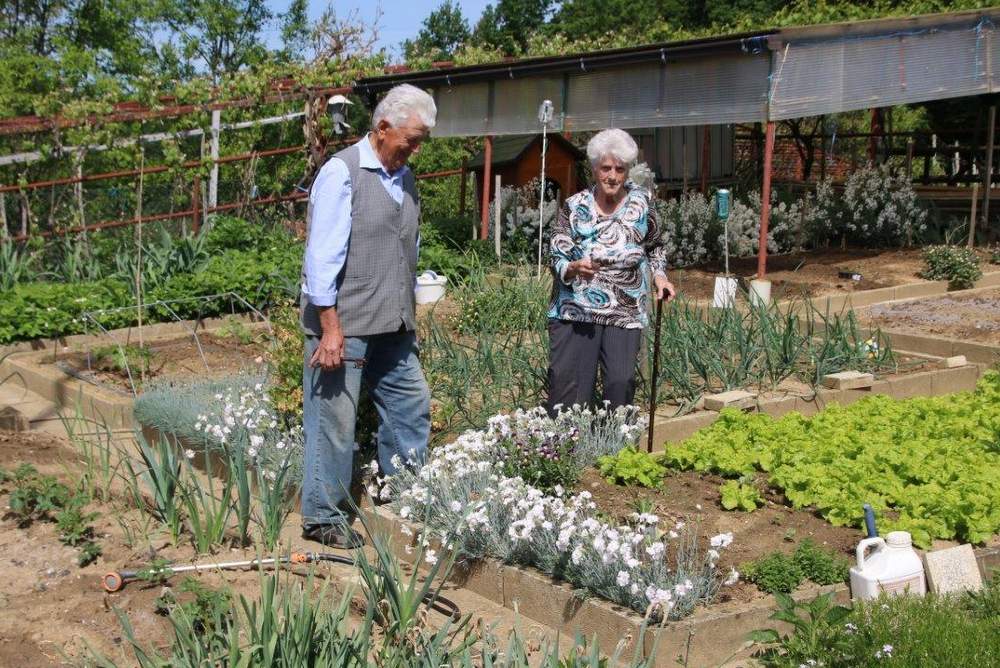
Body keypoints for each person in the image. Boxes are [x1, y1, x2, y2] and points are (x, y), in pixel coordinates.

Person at [299, 84, 436, 548]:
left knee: (410, 403)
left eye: (421, 142)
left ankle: (402, 495)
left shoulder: (405, 177)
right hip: (346, 324)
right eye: (411, 140)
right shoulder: (343, 172)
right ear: (382, 128)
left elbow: (405, 248)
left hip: (393, 324)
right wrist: (330, 330)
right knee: (334, 421)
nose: (416, 150)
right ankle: (322, 516)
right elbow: (321, 258)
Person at [546, 128, 675, 414]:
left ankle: (616, 451)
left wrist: (660, 277)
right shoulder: (574, 206)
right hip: (575, 308)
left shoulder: (642, 205)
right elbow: (556, 253)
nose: (613, 176)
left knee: (620, 383)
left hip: (625, 308)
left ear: (628, 170)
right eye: (606, 168)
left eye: (620, 169)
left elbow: (655, 247)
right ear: (594, 169)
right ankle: (567, 453)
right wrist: (573, 267)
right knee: (570, 391)